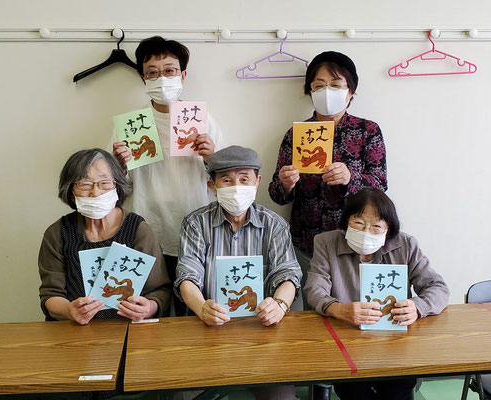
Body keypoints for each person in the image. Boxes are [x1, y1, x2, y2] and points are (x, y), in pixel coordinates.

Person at [175, 145, 301, 400]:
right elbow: (187, 275)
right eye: (226, 180)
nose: (236, 187)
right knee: (185, 395)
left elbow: (288, 274)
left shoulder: (274, 225)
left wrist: (279, 305)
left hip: (261, 333)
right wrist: (201, 308)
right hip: (208, 332)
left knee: (283, 397)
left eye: (244, 179)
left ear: (257, 183)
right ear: (212, 187)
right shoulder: (195, 223)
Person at [111, 36, 225, 316]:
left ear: (183, 75)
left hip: (195, 232)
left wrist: (211, 157)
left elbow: (226, 180)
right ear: (143, 78)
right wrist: (119, 165)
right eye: (152, 72)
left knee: (193, 313)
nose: (162, 78)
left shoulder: (204, 121)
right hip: (146, 231)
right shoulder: (130, 125)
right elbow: (112, 185)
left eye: (170, 70)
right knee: (147, 312)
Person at [304, 188, 449, 400]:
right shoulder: (326, 242)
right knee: (353, 390)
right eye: (358, 223)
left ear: (388, 228)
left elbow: (438, 287)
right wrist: (338, 309)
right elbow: (314, 290)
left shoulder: (406, 245)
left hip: (394, 343)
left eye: (376, 226)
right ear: (346, 222)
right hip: (347, 342)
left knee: (398, 387)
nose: (366, 232)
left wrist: (418, 307)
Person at [268, 51, 388, 303]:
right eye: (319, 85)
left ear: (350, 91)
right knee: (313, 309)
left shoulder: (367, 131)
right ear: (310, 91)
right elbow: (276, 195)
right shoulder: (296, 134)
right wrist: (286, 184)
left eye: (335, 85)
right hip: (307, 241)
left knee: (357, 308)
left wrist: (350, 177)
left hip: (357, 241)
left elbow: (380, 184)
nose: (327, 91)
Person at [39, 148, 172, 325]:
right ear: (70, 191)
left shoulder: (138, 229)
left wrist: (148, 308)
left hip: (129, 329)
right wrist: (70, 311)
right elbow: (51, 294)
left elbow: (161, 290)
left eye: (105, 183)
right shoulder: (58, 233)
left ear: (117, 186)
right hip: (75, 331)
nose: (96, 192)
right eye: (85, 184)